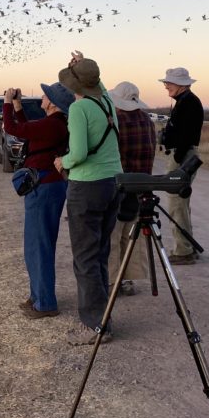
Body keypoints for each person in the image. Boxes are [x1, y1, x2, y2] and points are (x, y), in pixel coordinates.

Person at [53, 53, 123, 345]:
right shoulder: (106, 101)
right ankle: (102, 316)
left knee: (84, 256)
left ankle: (95, 325)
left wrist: (62, 162)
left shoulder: (80, 109)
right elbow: (98, 85)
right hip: (113, 182)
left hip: (88, 185)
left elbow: (79, 153)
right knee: (100, 251)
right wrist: (82, 65)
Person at [3, 82, 75, 319]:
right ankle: (38, 296)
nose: (42, 97)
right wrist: (17, 105)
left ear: (53, 103)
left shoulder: (53, 125)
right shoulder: (55, 124)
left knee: (40, 246)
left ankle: (45, 303)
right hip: (46, 186)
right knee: (35, 245)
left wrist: (6, 104)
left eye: (46, 95)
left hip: (44, 189)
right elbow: (26, 127)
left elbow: (13, 128)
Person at [106, 82, 156, 296]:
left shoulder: (117, 123)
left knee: (113, 235)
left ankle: (111, 280)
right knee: (132, 234)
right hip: (141, 185)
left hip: (120, 184)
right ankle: (128, 279)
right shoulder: (147, 121)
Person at [158, 67, 204, 264]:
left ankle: (183, 251)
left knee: (176, 204)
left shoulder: (188, 103)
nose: (166, 85)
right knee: (181, 204)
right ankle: (188, 247)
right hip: (183, 155)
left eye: (169, 82)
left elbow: (185, 136)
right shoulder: (186, 102)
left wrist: (176, 158)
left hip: (182, 156)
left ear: (182, 84)